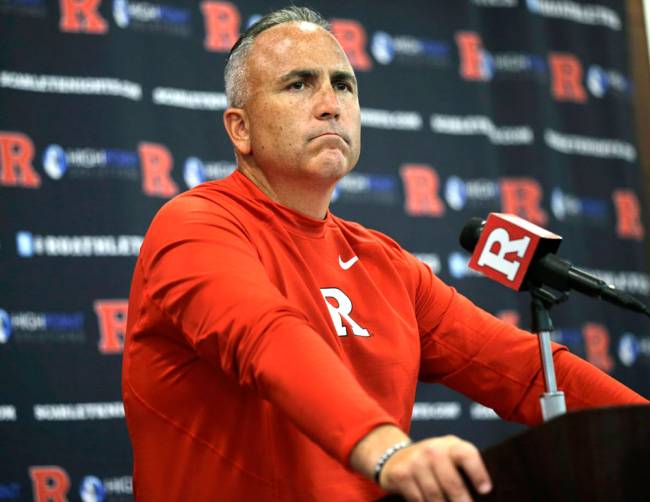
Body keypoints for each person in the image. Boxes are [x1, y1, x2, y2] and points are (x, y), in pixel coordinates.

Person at [122, 6, 648, 501]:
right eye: (299, 83)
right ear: (240, 128)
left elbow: (525, 373)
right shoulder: (194, 224)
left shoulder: (384, 263)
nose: (330, 102)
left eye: (343, 85)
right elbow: (267, 339)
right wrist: (387, 451)